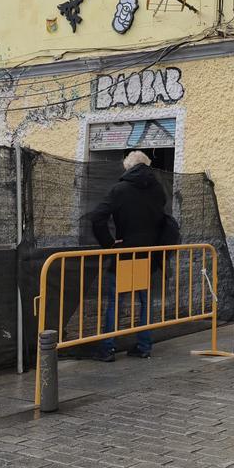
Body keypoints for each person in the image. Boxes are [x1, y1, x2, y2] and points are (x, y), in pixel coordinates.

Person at [86, 150, 168, 361]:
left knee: (116, 300)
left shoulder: (119, 190)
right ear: (147, 166)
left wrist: (109, 244)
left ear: (127, 167)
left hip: (125, 252)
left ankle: (108, 348)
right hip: (149, 253)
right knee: (145, 300)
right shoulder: (158, 190)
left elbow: (97, 218)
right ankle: (144, 346)